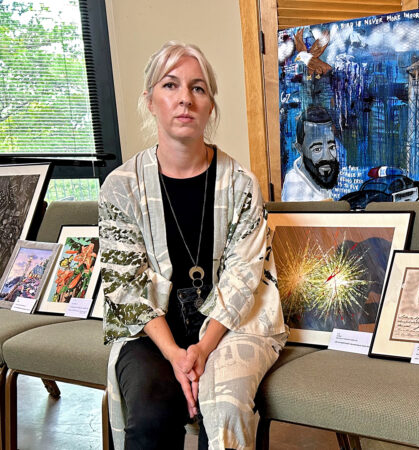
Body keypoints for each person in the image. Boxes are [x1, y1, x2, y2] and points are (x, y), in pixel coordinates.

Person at [99, 41, 287, 450]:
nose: (185, 98)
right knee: (150, 409)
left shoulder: (241, 185)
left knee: (224, 406)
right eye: (170, 85)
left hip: (230, 325)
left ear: (210, 105)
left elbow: (243, 276)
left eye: (198, 88)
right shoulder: (121, 187)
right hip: (153, 331)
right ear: (150, 100)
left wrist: (202, 347)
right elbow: (126, 283)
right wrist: (174, 353)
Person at [281, 105, 340, 201]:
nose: (327, 156)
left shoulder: (322, 178)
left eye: (331, 147)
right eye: (317, 149)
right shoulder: (295, 186)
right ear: (300, 149)